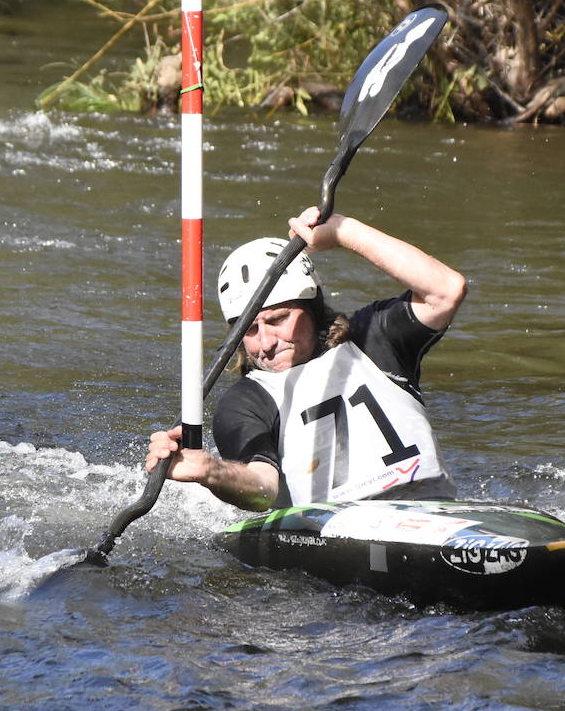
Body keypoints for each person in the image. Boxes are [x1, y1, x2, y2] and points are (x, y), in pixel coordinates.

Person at [146, 206, 466, 511]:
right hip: (335, 536)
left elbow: (447, 290)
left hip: (432, 510)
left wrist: (343, 231)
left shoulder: (374, 340)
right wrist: (210, 471)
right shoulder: (245, 402)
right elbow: (263, 490)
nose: (267, 342)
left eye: (278, 319)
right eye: (250, 329)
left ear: (312, 307)